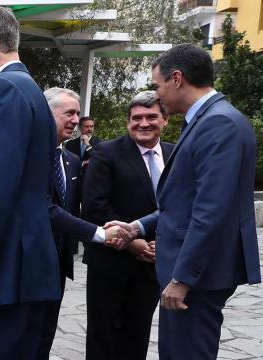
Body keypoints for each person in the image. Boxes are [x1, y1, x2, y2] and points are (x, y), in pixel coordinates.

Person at [0, 7, 126, 358]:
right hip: (23, 274)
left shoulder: (1, 89)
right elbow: (22, 190)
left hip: (1, 278)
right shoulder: (29, 91)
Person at [110, 44, 261, 359]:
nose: (157, 93)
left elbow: (211, 210)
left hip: (197, 277)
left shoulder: (219, 123)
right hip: (193, 272)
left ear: (176, 78)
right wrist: (138, 226)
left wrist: (182, 278)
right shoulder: (208, 119)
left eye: (157, 85)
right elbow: (183, 202)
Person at [36, 87, 128, 358]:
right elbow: (46, 208)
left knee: (45, 338)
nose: (76, 120)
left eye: (77, 113)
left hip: (58, 266)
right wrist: (99, 234)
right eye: (69, 113)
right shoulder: (28, 155)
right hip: (27, 265)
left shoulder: (72, 161)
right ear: (45, 113)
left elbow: (76, 210)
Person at [81, 90, 173, 360]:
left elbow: (177, 207)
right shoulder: (105, 152)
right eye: (136, 118)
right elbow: (95, 207)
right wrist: (133, 243)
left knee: (137, 336)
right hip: (111, 263)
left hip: (153, 264)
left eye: (151, 117)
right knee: (104, 339)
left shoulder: (175, 154)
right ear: (128, 122)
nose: (143, 123)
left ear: (164, 120)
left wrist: (161, 244)